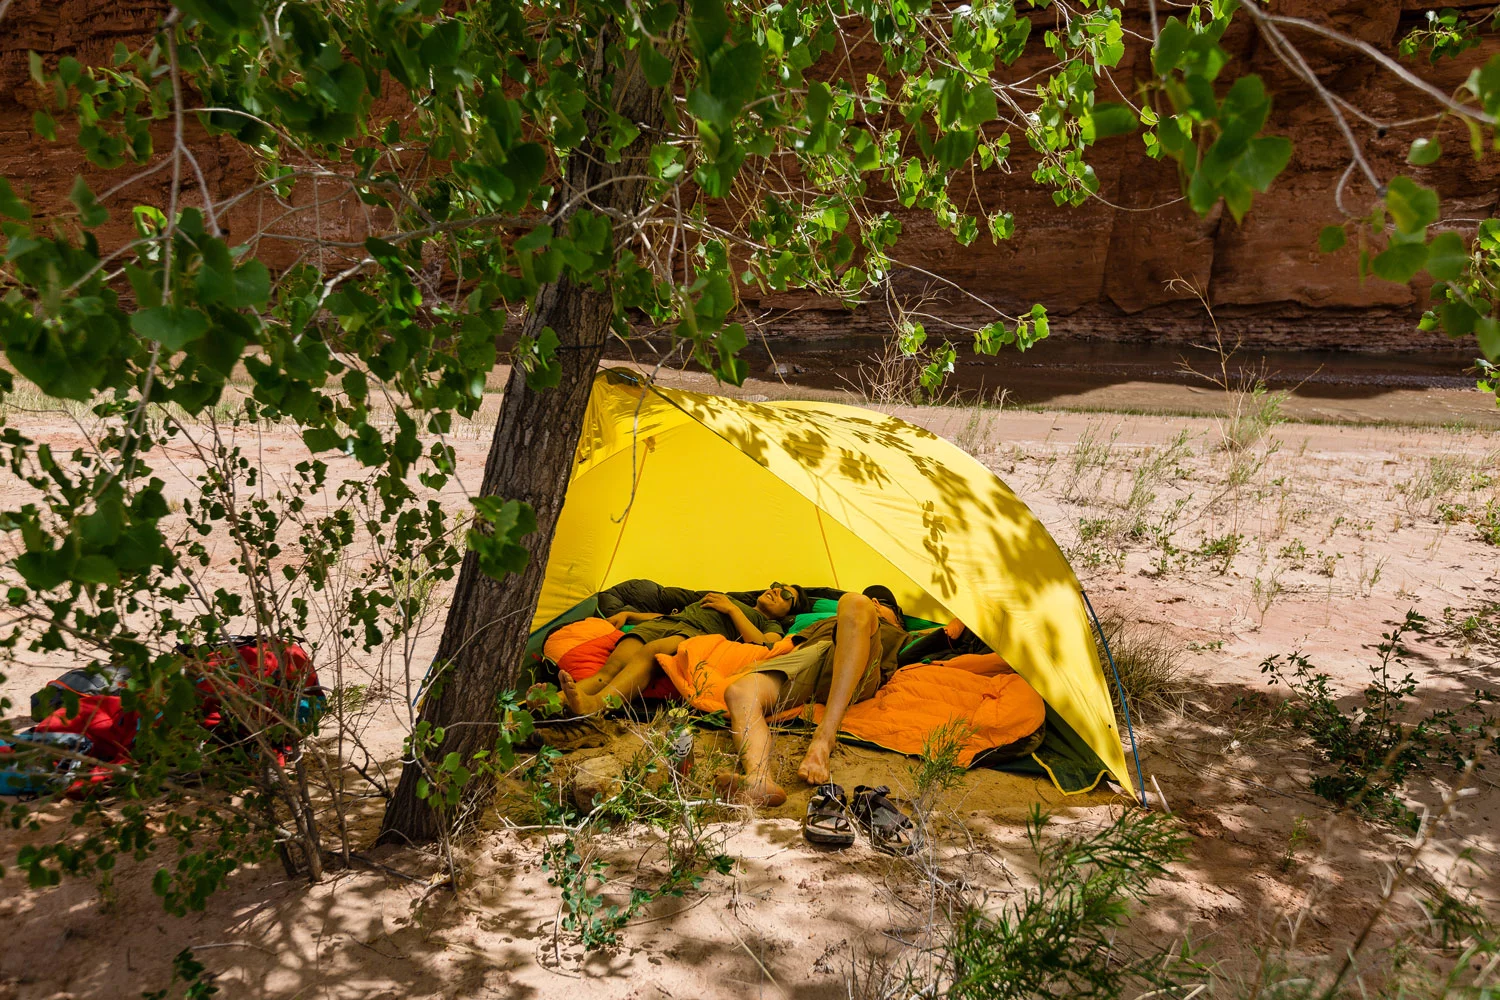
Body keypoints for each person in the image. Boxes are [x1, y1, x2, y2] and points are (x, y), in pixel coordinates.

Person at [715, 586, 912, 807]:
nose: (875, 602)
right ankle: (759, 778)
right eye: (873, 599)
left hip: (859, 669)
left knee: (855, 602)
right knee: (739, 692)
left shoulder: (900, 634)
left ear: (898, 620)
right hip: (812, 656)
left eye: (885, 604)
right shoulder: (824, 622)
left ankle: (824, 739)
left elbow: (942, 644)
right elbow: (793, 648)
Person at [559, 583, 809, 715]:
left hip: (693, 634)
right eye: (778, 585)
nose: (777, 590)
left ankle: (597, 705)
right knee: (613, 665)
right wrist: (630, 614)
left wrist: (731, 610)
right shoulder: (729, 597)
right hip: (668, 624)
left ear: (790, 612)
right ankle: (553, 701)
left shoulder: (769, 622)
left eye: (787, 595)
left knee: (652, 652)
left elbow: (763, 645)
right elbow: (673, 614)